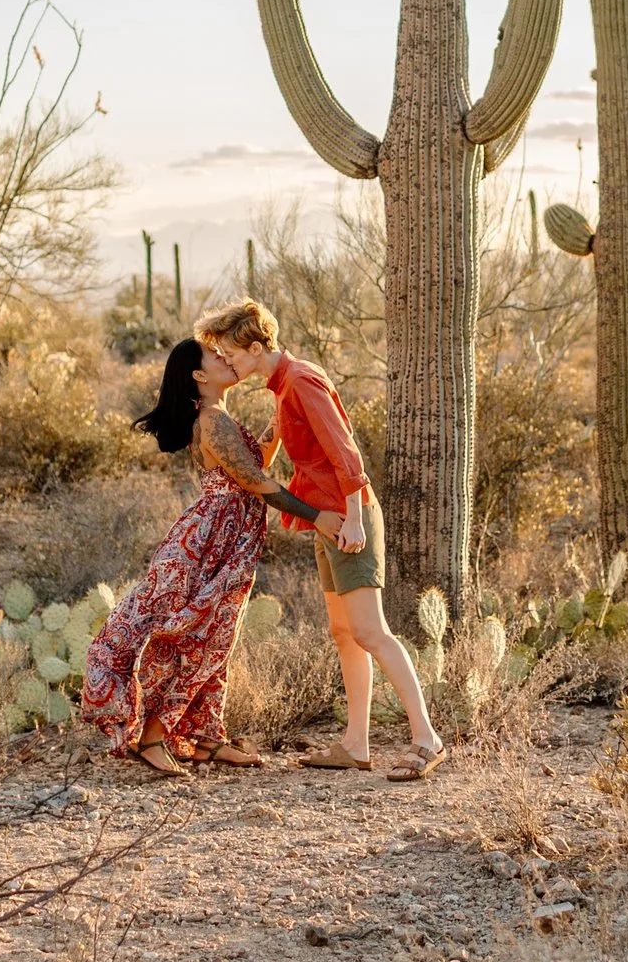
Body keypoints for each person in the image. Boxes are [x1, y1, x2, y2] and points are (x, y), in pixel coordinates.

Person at [194, 298, 448, 782]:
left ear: (255, 347)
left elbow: (344, 450)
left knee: (371, 631)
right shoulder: (282, 386)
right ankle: (355, 745)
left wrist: (352, 517)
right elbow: (275, 454)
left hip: (348, 517)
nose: (227, 362)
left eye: (231, 353)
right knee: (344, 632)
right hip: (329, 519)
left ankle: (426, 739)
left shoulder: (301, 379)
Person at [80, 338, 335, 777]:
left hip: (227, 538)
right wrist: (318, 516)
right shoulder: (212, 420)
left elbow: (255, 461)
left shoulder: (220, 417)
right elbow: (256, 482)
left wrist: (277, 421)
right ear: (199, 375)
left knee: (218, 634)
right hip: (210, 543)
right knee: (199, 635)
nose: (225, 358)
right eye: (215, 356)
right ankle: (153, 737)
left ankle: (205, 738)